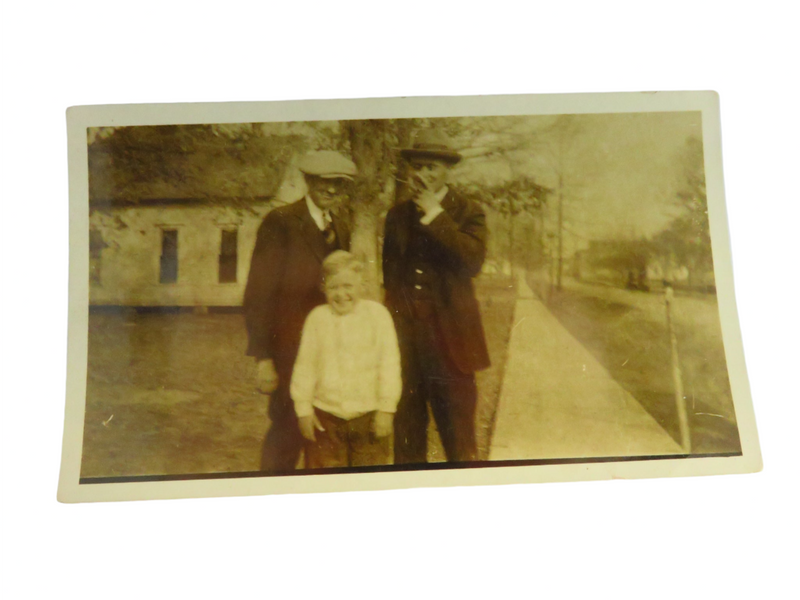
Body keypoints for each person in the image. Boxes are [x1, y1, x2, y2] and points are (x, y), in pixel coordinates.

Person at [244, 150, 357, 473]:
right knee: (287, 434)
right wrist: (264, 357)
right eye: (325, 182)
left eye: (339, 184)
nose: (332, 190)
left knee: (321, 437)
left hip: (329, 351)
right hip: (288, 351)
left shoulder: (341, 226)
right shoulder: (281, 222)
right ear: (309, 181)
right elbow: (258, 293)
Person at [382, 129, 490, 464]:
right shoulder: (397, 215)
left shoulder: (468, 211)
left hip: (451, 344)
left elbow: (471, 262)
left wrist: (435, 214)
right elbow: (391, 278)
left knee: (459, 440)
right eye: (419, 167)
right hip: (407, 345)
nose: (424, 175)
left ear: (447, 170)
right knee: (407, 438)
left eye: (432, 167)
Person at [290, 251, 402, 468]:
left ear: (362, 285)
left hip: (368, 418)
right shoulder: (317, 318)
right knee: (325, 482)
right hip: (326, 420)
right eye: (333, 287)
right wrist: (303, 410)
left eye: (348, 286)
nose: (341, 294)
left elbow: (389, 365)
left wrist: (386, 409)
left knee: (368, 481)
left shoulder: (377, 316)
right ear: (323, 288)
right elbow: (305, 367)